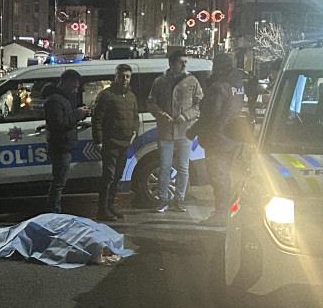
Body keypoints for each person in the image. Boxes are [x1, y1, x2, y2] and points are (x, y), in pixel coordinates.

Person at [196, 51, 249, 225]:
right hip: (232, 137)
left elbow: (210, 115)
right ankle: (227, 212)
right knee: (227, 176)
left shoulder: (218, 87)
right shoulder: (237, 84)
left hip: (217, 139)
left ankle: (221, 214)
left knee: (218, 177)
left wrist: (193, 131)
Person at [147, 48, 202, 213]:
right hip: (166, 130)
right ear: (171, 63)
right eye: (180, 62)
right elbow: (151, 102)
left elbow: (200, 104)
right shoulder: (160, 81)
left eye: (185, 62)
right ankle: (163, 199)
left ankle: (179, 199)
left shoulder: (192, 81)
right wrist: (160, 113)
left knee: (183, 167)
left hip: (185, 131)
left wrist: (186, 116)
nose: (184, 65)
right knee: (164, 166)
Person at [91, 64, 139, 221]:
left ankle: (111, 206)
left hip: (125, 144)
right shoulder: (106, 95)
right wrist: (98, 141)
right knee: (108, 177)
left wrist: (135, 131)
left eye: (127, 76)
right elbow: (97, 120)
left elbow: (135, 117)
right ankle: (102, 210)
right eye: (122, 76)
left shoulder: (131, 96)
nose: (125, 79)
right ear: (116, 77)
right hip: (110, 143)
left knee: (118, 176)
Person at [43, 69, 84, 214]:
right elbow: (59, 124)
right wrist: (78, 115)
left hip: (64, 145)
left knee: (60, 181)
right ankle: (54, 211)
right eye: (74, 87)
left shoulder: (63, 98)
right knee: (59, 182)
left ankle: (54, 209)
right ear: (65, 82)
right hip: (60, 146)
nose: (75, 90)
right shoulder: (54, 100)